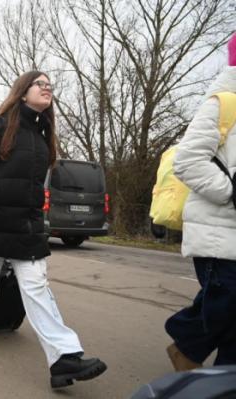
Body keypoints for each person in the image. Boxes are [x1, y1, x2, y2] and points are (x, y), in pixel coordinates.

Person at [0, 71, 107, 389]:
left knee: (37, 289)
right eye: (41, 84)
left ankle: (64, 358)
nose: (48, 89)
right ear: (23, 92)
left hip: (27, 227)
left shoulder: (42, 133)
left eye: (51, 86)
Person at [164, 33, 236, 370]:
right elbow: (188, 162)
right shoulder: (223, 105)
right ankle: (186, 346)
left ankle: (221, 383)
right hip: (218, 235)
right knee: (225, 304)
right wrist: (231, 190)